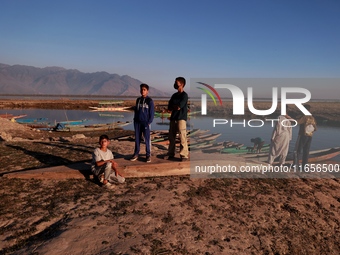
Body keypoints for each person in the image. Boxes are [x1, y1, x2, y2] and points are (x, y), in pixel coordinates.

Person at [130, 83, 154, 163]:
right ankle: (136, 153)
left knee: (147, 139)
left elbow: (152, 113)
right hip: (137, 122)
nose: (142, 91)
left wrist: (149, 122)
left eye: (144, 90)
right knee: (137, 139)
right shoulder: (138, 100)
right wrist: (135, 119)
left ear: (147, 91)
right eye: (141, 89)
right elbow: (137, 110)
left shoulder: (149, 101)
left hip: (145, 123)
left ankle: (148, 155)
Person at [166, 77, 189, 161]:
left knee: (182, 137)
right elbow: (169, 106)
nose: (175, 84)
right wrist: (173, 107)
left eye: (177, 83)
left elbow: (179, 107)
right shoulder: (174, 95)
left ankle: (184, 155)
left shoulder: (184, 95)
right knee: (171, 137)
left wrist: (173, 107)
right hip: (173, 118)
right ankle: (170, 153)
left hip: (181, 118)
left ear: (182, 84)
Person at [293, 104, 317, 170]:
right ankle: (304, 166)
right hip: (310, 136)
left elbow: (297, 122)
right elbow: (315, 128)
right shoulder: (312, 117)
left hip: (303, 135)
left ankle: (296, 165)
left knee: (297, 151)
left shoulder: (304, 117)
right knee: (306, 151)